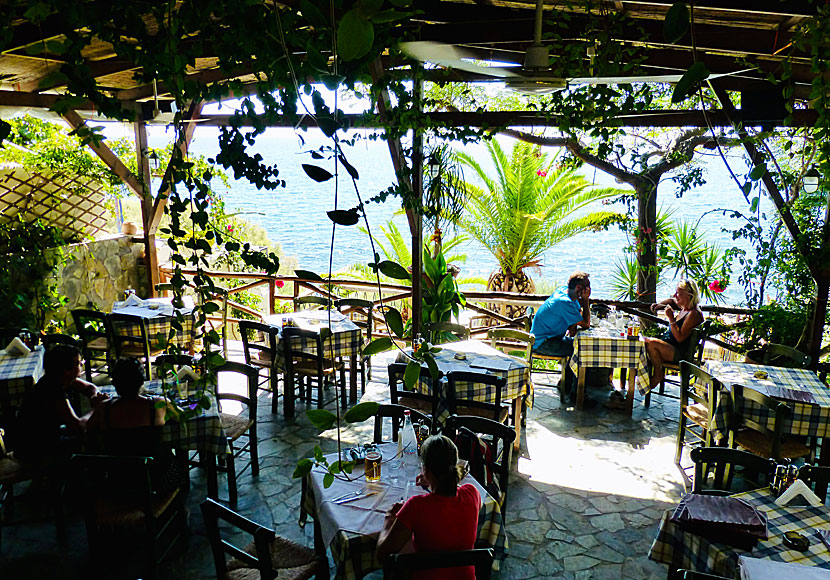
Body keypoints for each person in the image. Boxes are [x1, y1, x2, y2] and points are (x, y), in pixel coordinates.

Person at [376, 435, 480, 580]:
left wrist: (389, 520)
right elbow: (452, 486)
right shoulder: (472, 493)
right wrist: (433, 480)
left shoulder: (416, 507)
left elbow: (382, 555)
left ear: (426, 470)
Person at [87, 357, 183, 493]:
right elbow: (182, 416)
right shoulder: (157, 404)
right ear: (141, 381)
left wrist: (96, 407)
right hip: (156, 480)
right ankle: (179, 506)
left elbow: (88, 431)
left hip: (118, 481)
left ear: (115, 383)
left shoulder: (104, 409)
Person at [15, 344, 108, 463]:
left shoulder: (60, 378)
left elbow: (90, 388)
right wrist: (97, 407)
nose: (81, 365)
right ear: (66, 370)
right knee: (92, 437)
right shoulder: (53, 390)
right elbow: (78, 426)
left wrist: (95, 396)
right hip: (35, 450)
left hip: (46, 436)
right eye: (78, 363)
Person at [530, 271, 591, 403]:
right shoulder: (565, 302)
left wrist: (574, 322)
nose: (590, 290)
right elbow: (586, 324)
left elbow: (573, 329)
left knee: (576, 345)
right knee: (583, 350)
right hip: (543, 343)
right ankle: (577, 394)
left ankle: (566, 384)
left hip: (549, 338)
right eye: (587, 287)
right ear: (579, 288)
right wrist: (586, 301)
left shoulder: (564, 291)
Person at [645, 279, 705, 391]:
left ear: (689, 296)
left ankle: (657, 374)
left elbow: (680, 338)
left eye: (679, 293)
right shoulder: (685, 308)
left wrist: (671, 318)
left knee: (650, 343)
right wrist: (660, 305)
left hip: (680, 353)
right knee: (643, 345)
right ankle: (641, 384)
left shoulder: (693, 314)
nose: (675, 295)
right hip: (671, 347)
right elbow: (672, 300)